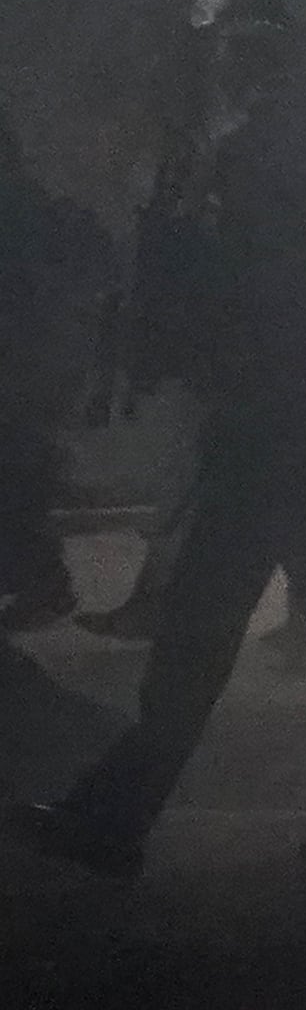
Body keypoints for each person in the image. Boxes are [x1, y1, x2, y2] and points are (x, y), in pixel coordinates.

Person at [15, 0, 306, 876]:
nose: (224, 63)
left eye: (239, 45)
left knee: (295, 620)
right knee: (286, 615)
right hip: (279, 406)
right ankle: (123, 812)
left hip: (285, 408)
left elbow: (265, 276)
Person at [0, 103, 114, 635]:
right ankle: (42, 584)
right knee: (21, 477)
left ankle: (42, 584)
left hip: (21, 368)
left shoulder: (22, 211)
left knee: (18, 478)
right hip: (32, 367)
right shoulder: (35, 207)